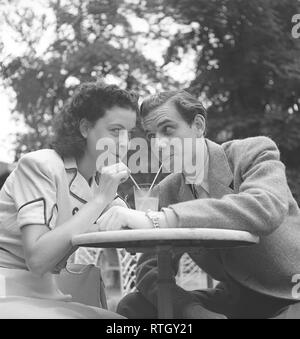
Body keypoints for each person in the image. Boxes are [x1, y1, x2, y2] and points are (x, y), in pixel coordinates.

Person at [97, 90, 300, 319]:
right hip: (240, 298)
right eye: (151, 136)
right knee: (134, 305)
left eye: (168, 130)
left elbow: (266, 208)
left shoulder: (251, 152)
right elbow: (149, 269)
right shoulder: (167, 189)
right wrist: (190, 310)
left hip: (291, 292)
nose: (159, 145)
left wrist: (160, 220)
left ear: (198, 125)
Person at [0, 81, 138, 318]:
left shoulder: (99, 180)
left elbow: (132, 243)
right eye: (115, 131)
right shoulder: (41, 165)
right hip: (8, 290)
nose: (124, 142)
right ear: (85, 128)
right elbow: (38, 259)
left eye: (129, 133)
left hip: (51, 292)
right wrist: (99, 200)